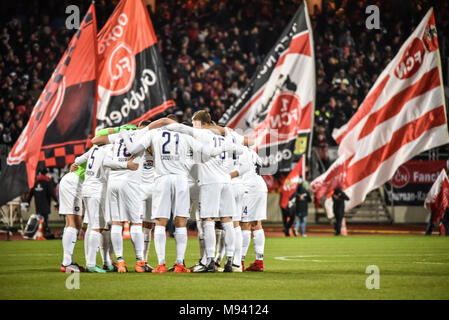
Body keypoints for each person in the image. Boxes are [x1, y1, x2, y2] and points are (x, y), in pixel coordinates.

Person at [121, 113, 240, 273]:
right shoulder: (186, 136)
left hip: (161, 179)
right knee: (181, 222)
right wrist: (227, 146)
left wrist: (125, 134)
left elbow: (132, 149)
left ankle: (161, 265)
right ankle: (179, 264)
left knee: (161, 223)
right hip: (181, 180)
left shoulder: (154, 134)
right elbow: (208, 152)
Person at [233, 145, 268, 272]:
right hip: (260, 187)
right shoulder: (254, 153)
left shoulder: (239, 151)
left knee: (245, 224)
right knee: (257, 224)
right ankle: (259, 261)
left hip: (250, 189)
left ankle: (240, 262)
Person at [26, 168, 58, 239]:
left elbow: (31, 194)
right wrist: (57, 201)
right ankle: (44, 234)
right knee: (45, 220)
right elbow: (51, 193)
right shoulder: (47, 181)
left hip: (38, 205)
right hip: (46, 204)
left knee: (39, 219)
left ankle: (39, 233)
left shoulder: (35, 182)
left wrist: (28, 203)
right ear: (46, 174)